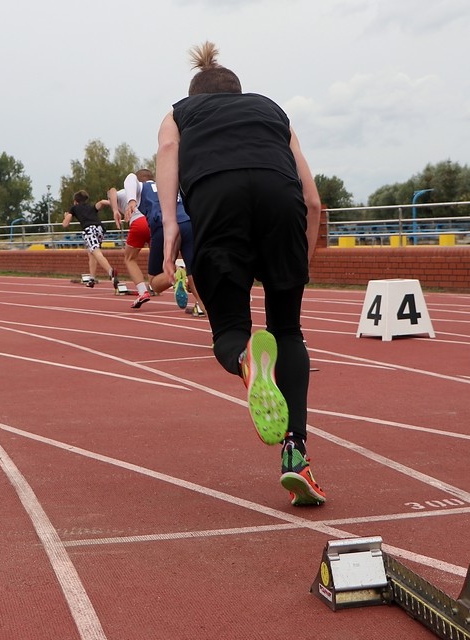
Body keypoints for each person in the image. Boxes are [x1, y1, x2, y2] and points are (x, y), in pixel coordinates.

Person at [156, 41, 324, 506]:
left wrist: (170, 224)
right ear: (238, 91)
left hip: (218, 200)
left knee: (230, 331)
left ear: (196, 94)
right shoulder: (272, 111)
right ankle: (296, 455)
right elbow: (313, 201)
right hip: (280, 200)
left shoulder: (179, 113)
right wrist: (301, 260)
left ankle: (247, 361)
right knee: (288, 331)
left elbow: (168, 147)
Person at [133, 169, 207, 316]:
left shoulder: (141, 188)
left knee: (154, 282)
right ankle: (204, 306)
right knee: (193, 272)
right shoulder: (170, 185)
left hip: (163, 226)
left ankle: (178, 273)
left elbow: (119, 187)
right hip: (187, 222)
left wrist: (127, 202)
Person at [108, 174, 152, 308]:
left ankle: (143, 291)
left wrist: (115, 210)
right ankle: (179, 276)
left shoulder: (127, 192)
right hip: (155, 223)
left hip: (139, 223)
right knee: (162, 258)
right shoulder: (154, 189)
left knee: (129, 258)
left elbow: (112, 191)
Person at [61, 190, 118, 289]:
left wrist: (66, 217)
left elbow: (65, 224)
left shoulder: (74, 208)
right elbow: (101, 203)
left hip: (89, 230)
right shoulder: (90, 207)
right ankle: (92, 279)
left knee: (96, 252)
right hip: (100, 229)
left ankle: (111, 272)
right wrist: (114, 204)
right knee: (91, 253)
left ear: (75, 201)